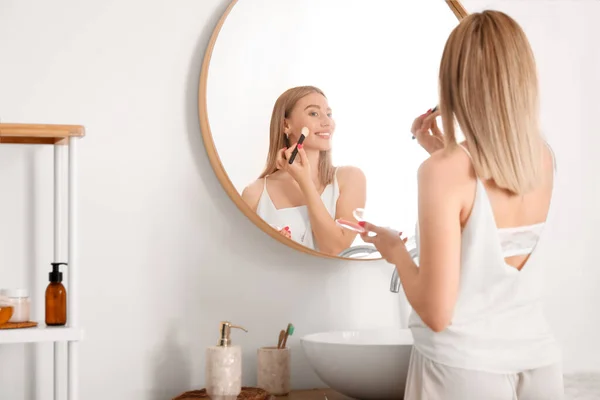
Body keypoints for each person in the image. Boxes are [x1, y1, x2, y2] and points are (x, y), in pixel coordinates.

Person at [360, 10, 564, 399]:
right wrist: (444, 154)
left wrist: (396, 251)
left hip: (464, 370)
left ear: (454, 84)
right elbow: (493, 236)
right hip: (538, 364)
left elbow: (437, 315)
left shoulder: (441, 172)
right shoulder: (543, 158)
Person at [242, 86, 366, 256]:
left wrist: (304, 181)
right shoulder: (255, 193)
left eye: (328, 114)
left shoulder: (350, 179)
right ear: (286, 125)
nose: (327, 122)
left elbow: (335, 250)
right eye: (314, 113)